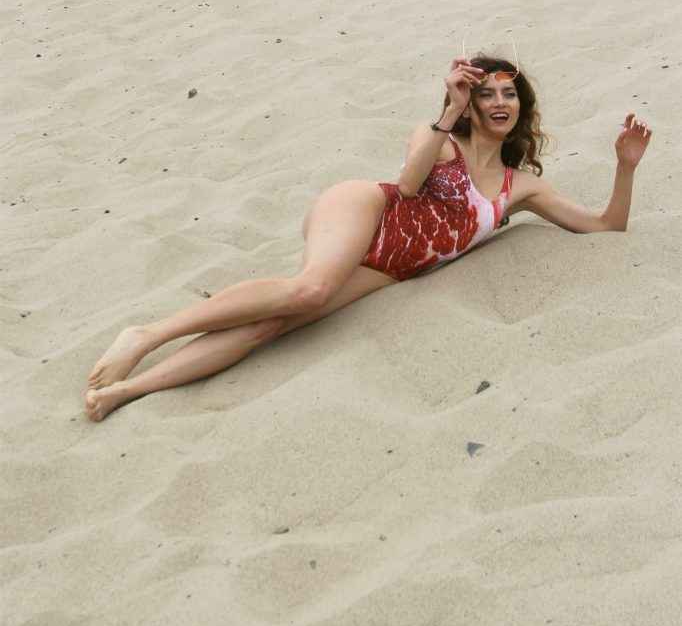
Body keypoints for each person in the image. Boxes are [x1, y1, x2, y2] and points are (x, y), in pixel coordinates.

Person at [85, 52, 652, 421]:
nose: (500, 103)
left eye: (510, 94)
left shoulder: (519, 185)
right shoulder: (441, 141)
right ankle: (147, 335)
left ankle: (128, 392)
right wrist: (447, 111)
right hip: (367, 211)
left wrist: (624, 167)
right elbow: (407, 185)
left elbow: (604, 226)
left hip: (390, 268)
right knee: (308, 290)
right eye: (487, 94)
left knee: (270, 327)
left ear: (521, 106)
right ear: (470, 103)